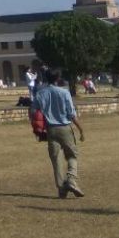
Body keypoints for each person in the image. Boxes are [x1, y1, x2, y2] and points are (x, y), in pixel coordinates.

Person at [31, 66, 85, 198]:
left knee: (56, 159)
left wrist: (37, 128)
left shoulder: (40, 93)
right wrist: (81, 129)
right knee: (72, 155)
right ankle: (71, 179)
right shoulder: (64, 92)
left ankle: (61, 188)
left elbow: (33, 112)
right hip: (65, 128)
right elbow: (71, 114)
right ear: (58, 78)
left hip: (50, 130)